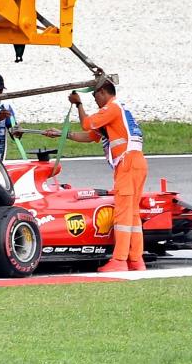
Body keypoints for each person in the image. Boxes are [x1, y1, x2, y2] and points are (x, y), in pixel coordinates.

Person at [43, 81, 147, 272]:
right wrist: (62, 134)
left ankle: (119, 260)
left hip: (127, 164)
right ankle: (136, 259)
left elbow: (87, 123)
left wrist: (78, 104)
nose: (95, 101)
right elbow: (91, 135)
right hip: (136, 163)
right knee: (132, 214)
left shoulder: (111, 108)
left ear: (103, 92)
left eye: (95, 96)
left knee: (123, 214)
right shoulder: (119, 111)